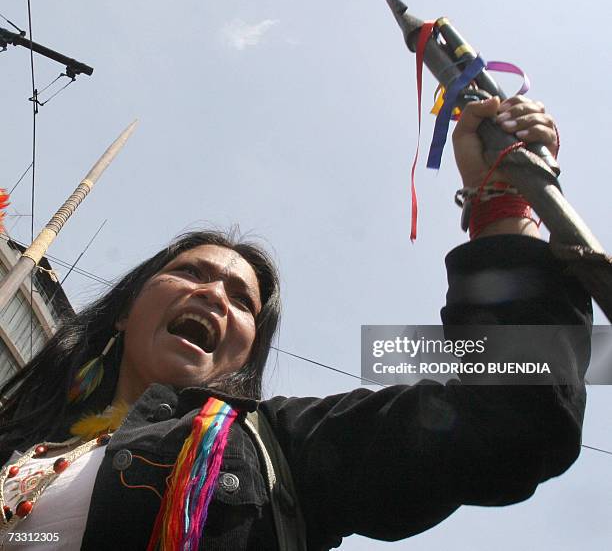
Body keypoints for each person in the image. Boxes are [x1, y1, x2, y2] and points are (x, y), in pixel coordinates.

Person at [0, 95, 592, 550]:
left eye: (242, 300)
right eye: (192, 274)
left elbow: (515, 419)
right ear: (129, 309)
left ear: (244, 356)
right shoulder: (18, 440)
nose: (213, 294)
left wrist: (502, 207)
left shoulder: (280, 450)